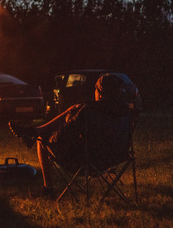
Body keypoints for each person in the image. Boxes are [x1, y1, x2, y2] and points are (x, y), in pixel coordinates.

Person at [8, 73, 140, 195]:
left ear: (99, 93)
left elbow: (61, 138)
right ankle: (34, 132)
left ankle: (48, 189)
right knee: (74, 110)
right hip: (115, 158)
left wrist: (68, 121)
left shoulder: (88, 112)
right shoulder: (126, 113)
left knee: (41, 139)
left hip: (88, 161)